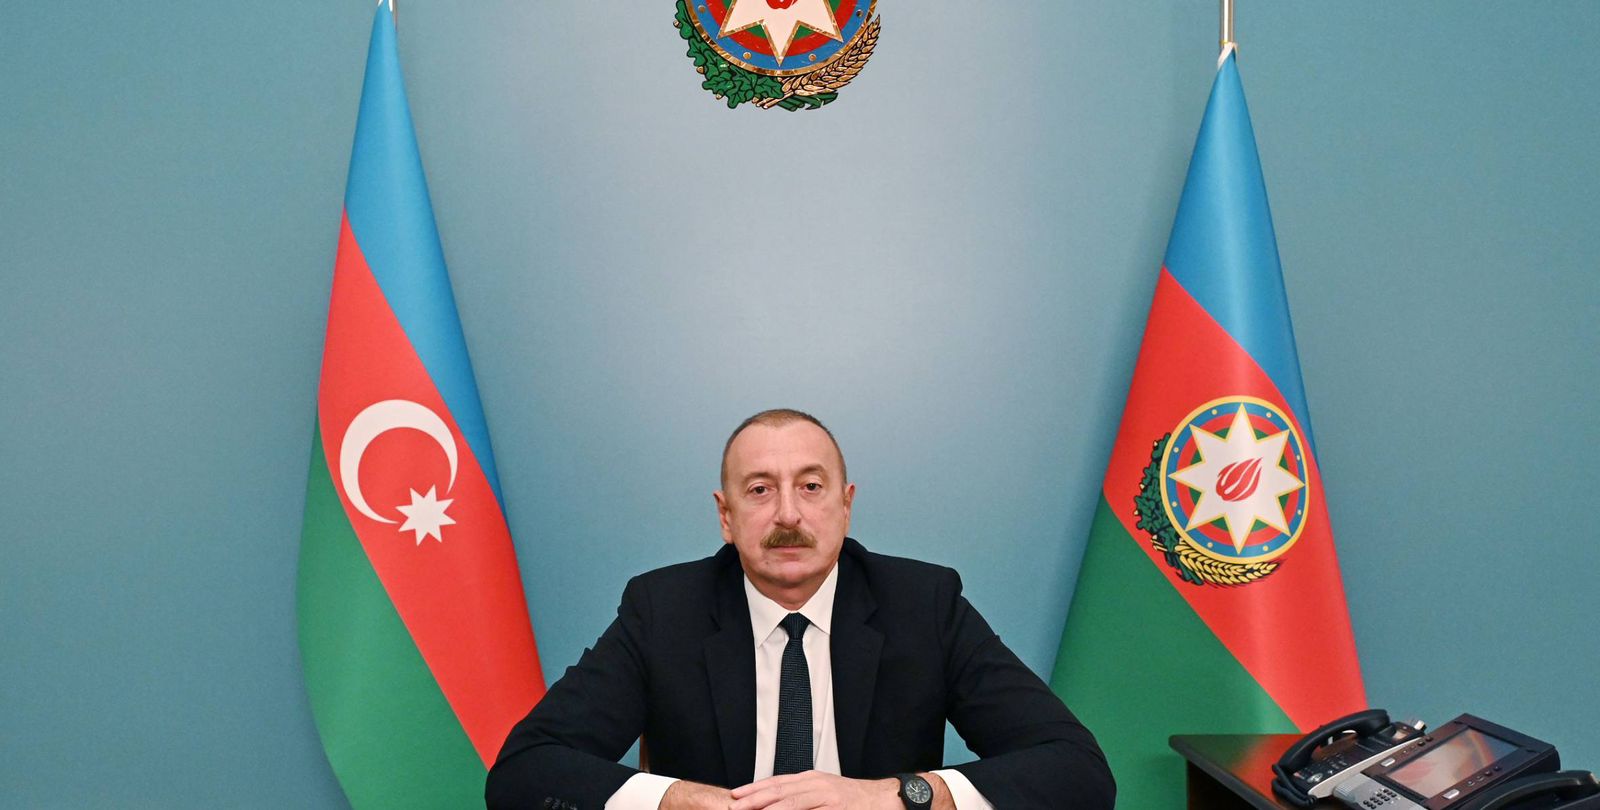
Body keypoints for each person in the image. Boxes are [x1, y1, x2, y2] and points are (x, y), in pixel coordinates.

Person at [487, 409, 1114, 809]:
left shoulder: (923, 604)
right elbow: (523, 771)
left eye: (811, 487)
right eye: (760, 490)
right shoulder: (663, 611)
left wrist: (895, 797)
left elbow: (1077, 771)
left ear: (845, 505)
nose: (788, 514)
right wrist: (679, 800)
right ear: (726, 516)